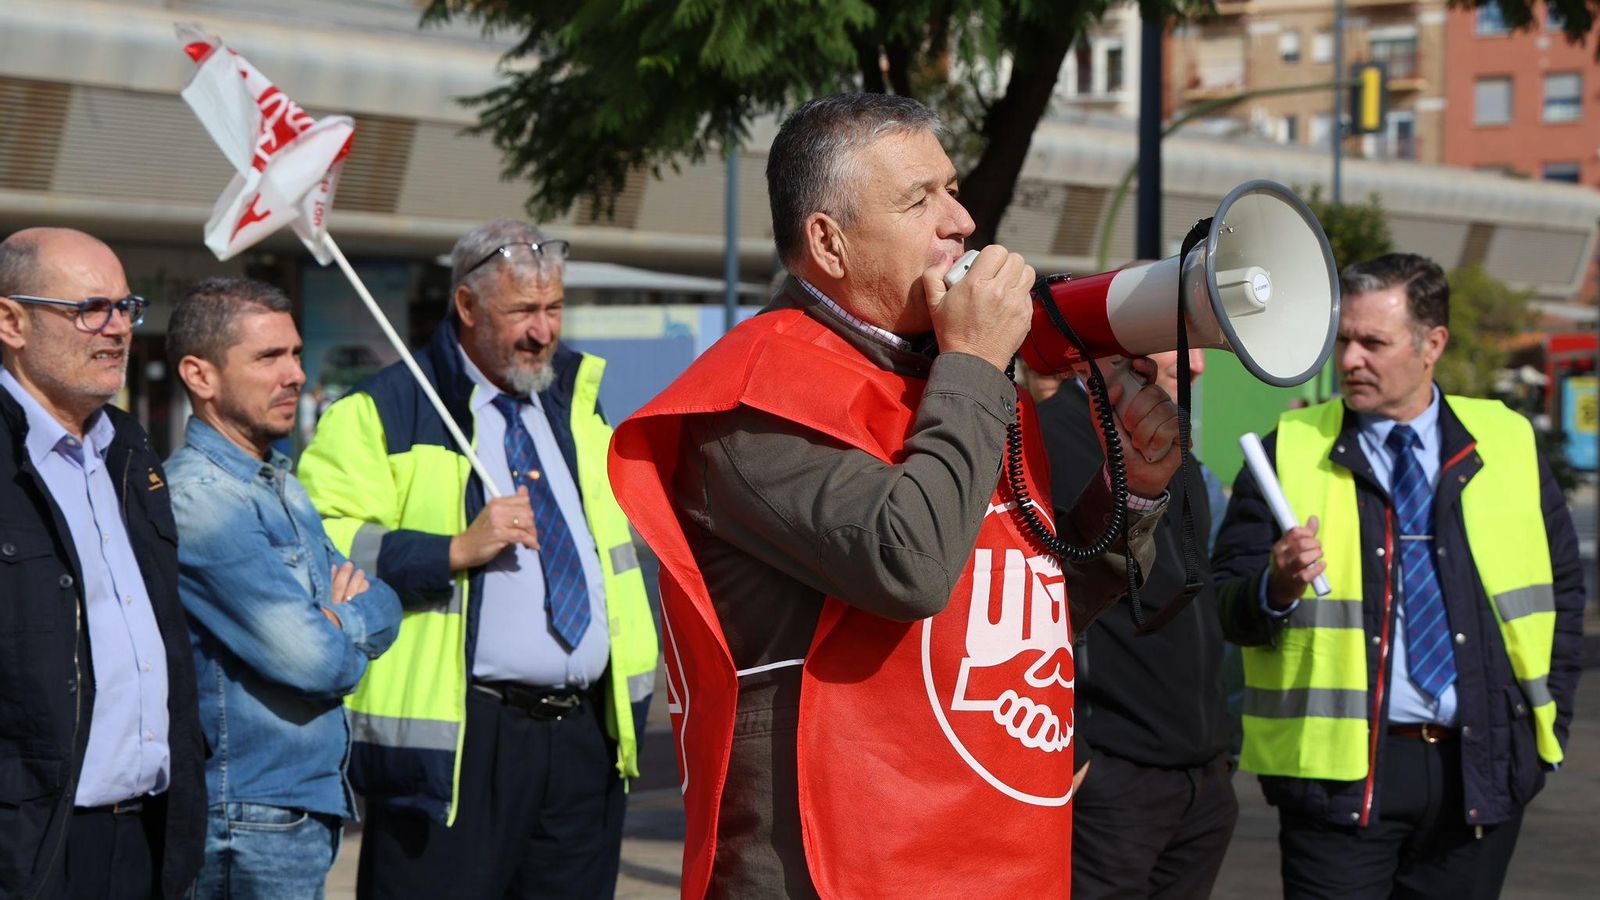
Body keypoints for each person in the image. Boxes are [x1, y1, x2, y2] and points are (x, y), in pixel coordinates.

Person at [608, 93, 1184, 898]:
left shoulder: (956, 379)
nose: (960, 220)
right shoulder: (754, 404)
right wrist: (978, 367)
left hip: (989, 851)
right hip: (834, 864)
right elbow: (908, 565)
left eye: (952, 189)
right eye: (921, 199)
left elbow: (1021, 613)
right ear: (828, 243)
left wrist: (1131, 494)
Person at [297, 219, 658, 899]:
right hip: (461, 747)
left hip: (586, 741)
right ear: (466, 306)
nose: (543, 331)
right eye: (523, 311)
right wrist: (452, 550)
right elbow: (319, 543)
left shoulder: (577, 403)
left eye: (553, 309)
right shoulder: (383, 411)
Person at [1211, 252, 1585, 899]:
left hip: (1481, 771)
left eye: (1373, 343)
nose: (1350, 360)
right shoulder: (1288, 449)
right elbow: (1224, 603)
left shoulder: (1508, 442)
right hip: (1337, 784)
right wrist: (1275, 587)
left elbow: (1564, 596)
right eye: (1344, 340)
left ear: (1432, 344)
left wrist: (1538, 740)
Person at [162, 278, 402, 898]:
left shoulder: (278, 481)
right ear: (200, 376)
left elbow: (387, 600)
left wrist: (338, 615)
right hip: (247, 822)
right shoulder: (201, 500)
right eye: (269, 357)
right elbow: (315, 660)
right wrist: (344, 620)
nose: (294, 374)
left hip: (297, 810)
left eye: (295, 353)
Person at [0, 228, 205, 898]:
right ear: (12, 322)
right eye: (90, 308)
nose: (117, 328)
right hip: (33, 848)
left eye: (126, 307)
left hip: (145, 835)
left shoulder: (129, 450)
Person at [1031, 350, 1238, 900]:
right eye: (1180, 339)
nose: (1199, 366)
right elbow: (1028, 605)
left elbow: (1196, 600)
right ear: (1116, 345)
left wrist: (1221, 747)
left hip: (1199, 780)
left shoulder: (1177, 449)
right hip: (1111, 783)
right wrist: (1075, 760)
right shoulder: (1040, 440)